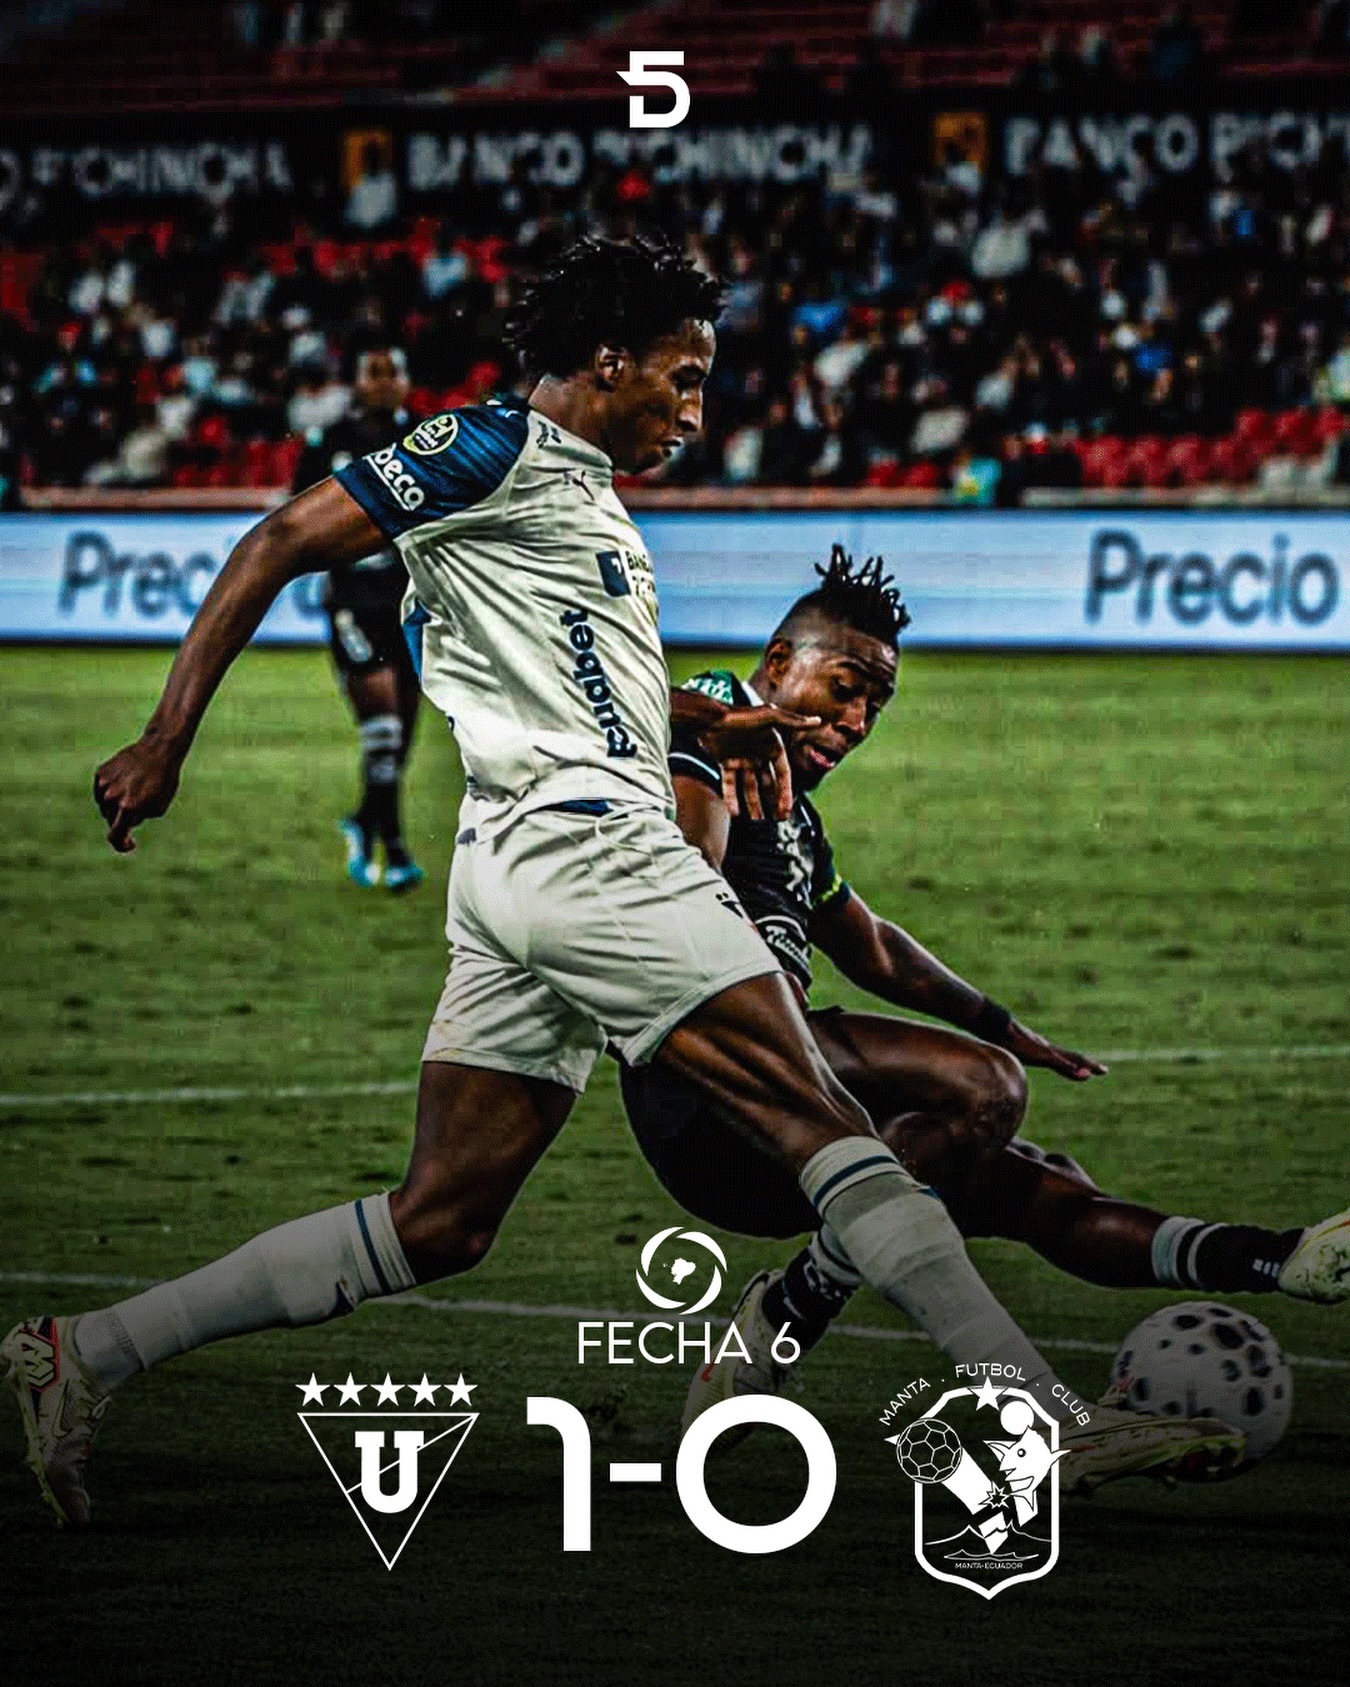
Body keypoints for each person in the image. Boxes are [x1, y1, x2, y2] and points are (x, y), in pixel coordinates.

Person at [5, 238, 1238, 1531]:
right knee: (825, 1120)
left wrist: (707, 719)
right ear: (606, 361)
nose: (696, 409)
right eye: (682, 376)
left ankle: (85, 1350)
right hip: (586, 848)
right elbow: (280, 537)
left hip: (513, 864)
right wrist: (166, 738)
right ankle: (1038, 1421)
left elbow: (574, 687)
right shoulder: (489, 447)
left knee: (440, 1219)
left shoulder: (585, 502)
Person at [612, 549, 1350, 1428]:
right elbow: (682, 825)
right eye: (843, 688)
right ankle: (798, 1302)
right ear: (778, 662)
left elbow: (875, 948)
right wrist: (714, 739)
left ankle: (1281, 1259)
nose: (855, 721)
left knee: (1032, 1179)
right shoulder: (715, 718)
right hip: (708, 1086)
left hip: (784, 1110)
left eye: (875, 705)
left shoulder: (795, 820)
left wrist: (1005, 1023)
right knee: (984, 1087)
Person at [292, 345, 424, 890]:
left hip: (413, 605)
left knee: (401, 738)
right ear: (357, 382)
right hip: (353, 603)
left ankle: (363, 821)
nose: (384, 382)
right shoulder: (328, 444)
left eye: (393, 372)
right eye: (374, 372)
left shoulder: (426, 438)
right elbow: (297, 516)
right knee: (384, 729)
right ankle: (396, 851)